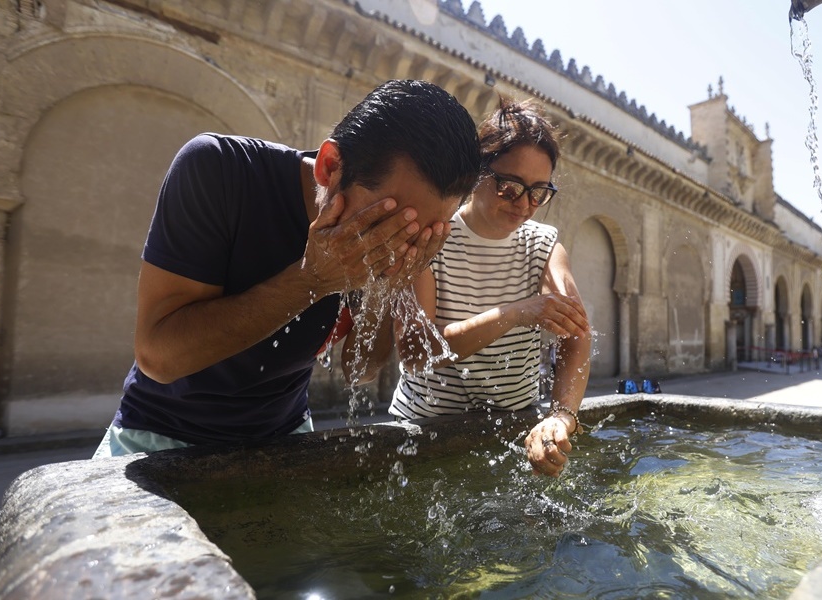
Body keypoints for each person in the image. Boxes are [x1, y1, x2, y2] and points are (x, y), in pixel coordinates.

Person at [93, 79, 482, 457]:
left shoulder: (389, 240)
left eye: (422, 233)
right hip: (159, 435)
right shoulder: (221, 171)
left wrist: (392, 285)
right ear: (330, 167)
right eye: (386, 224)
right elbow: (158, 357)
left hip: (286, 438)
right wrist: (312, 279)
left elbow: (359, 370)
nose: (397, 243)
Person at [390, 98, 591, 478]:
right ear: (476, 171)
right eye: (510, 186)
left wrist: (561, 416)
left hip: (512, 431)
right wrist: (514, 313)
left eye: (538, 192)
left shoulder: (543, 245)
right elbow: (415, 351)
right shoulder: (433, 234)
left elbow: (576, 335)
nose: (525, 204)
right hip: (425, 432)